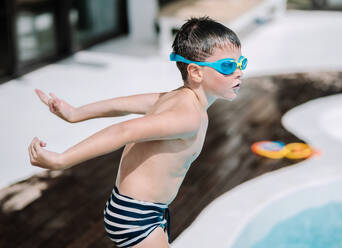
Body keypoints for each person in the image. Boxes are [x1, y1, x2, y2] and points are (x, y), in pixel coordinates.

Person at [28, 16, 247, 247]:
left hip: (137, 209)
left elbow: (121, 105)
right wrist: (61, 160)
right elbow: (124, 131)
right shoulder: (188, 116)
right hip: (138, 219)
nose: (239, 72)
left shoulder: (173, 97)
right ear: (196, 72)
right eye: (228, 66)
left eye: (241, 63)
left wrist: (76, 114)